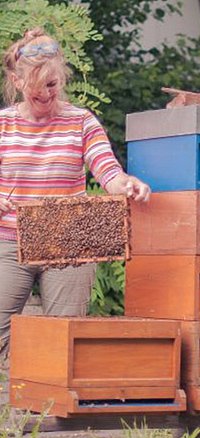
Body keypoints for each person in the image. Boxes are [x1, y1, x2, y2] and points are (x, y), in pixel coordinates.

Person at [0, 28, 151, 369]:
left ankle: (49, 411)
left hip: (69, 243)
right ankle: (27, 387)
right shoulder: (3, 125)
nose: (46, 94)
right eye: (38, 88)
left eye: (52, 85)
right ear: (17, 81)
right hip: (8, 241)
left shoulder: (82, 121)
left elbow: (108, 171)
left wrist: (127, 185)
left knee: (64, 338)